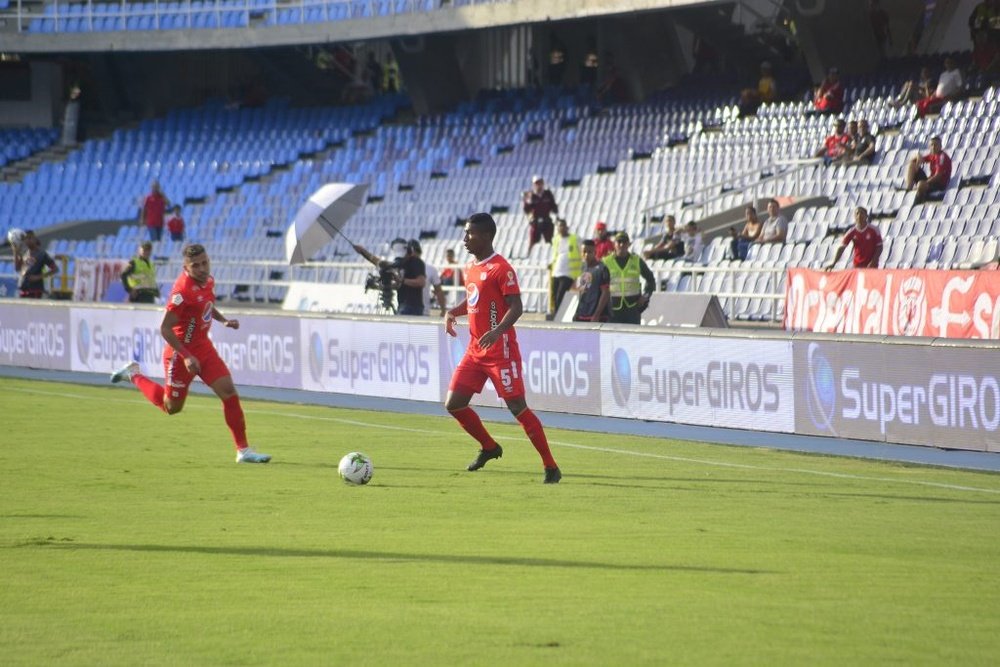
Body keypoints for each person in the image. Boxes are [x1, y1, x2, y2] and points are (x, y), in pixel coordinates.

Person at [109, 244, 271, 464]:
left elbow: (206, 305)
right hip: (180, 355)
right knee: (171, 407)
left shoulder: (209, 281)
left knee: (229, 392)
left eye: (205, 263)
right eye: (196, 266)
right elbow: (165, 329)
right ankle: (133, 374)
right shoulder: (181, 292)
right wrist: (185, 355)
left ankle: (243, 450)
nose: (203, 268)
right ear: (186, 267)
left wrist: (223, 320)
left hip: (203, 348)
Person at [444, 213, 561, 484]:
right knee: (454, 404)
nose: (464, 239)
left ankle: (551, 466)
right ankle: (489, 447)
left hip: (500, 350)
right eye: (464, 233)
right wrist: (453, 312)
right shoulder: (471, 267)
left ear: (486, 236)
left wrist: (497, 331)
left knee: (517, 407)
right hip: (475, 350)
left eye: (469, 234)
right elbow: (474, 301)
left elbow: (516, 307)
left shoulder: (502, 268)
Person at [353, 237, 427, 315]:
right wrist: (363, 252)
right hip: (405, 305)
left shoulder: (416, 262)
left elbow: (421, 282)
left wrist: (401, 280)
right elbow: (381, 263)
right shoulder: (402, 264)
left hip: (411, 307)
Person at [602, 231, 655, 325]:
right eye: (619, 242)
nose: (622, 245)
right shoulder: (606, 262)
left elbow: (650, 279)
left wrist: (645, 296)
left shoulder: (636, 260)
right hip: (612, 309)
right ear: (614, 244)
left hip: (632, 308)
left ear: (629, 244)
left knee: (632, 338)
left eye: (624, 242)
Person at [10, 230, 58, 299]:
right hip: (24, 288)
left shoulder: (42, 254)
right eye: (26, 239)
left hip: (36, 290)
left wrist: (38, 277)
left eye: (30, 238)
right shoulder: (24, 253)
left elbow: (55, 269)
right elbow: (17, 268)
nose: (28, 241)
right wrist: (15, 253)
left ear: (35, 239)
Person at [906, 135, 953, 204]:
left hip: (939, 184)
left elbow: (938, 176)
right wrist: (917, 155)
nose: (933, 147)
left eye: (935, 145)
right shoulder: (932, 155)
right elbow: (914, 161)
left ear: (940, 146)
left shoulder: (942, 157)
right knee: (912, 165)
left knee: (921, 184)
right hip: (931, 181)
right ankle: (908, 189)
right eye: (931, 145)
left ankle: (917, 203)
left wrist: (925, 183)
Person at [549, 218, 581, 315]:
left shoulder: (575, 238)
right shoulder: (555, 239)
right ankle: (556, 315)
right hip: (556, 271)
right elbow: (555, 254)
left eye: (563, 225)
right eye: (559, 226)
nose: (561, 228)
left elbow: (581, 253)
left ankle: (560, 316)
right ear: (557, 228)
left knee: (561, 295)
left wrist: (578, 274)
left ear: (567, 227)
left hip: (569, 272)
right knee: (554, 295)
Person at [573, 239, 611, 322]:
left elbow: (606, 293)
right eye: (584, 252)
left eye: (589, 252)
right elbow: (582, 292)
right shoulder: (582, 268)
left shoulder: (602, 269)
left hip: (597, 317)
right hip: (582, 315)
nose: (586, 254)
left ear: (595, 252)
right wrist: (577, 312)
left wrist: (597, 314)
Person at [522, 175, 558, 254]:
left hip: (546, 220)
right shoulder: (530, 195)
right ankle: (529, 255)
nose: (539, 185)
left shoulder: (547, 194)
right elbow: (526, 209)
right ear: (533, 184)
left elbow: (553, 206)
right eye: (537, 183)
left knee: (551, 240)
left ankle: (553, 255)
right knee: (533, 241)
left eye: (540, 183)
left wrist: (556, 214)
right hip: (535, 221)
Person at [410, 240, 446, 317]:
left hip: (422, 312)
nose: (413, 254)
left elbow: (439, 291)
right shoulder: (402, 268)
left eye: (416, 251)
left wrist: (443, 310)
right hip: (405, 311)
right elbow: (439, 291)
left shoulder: (430, 269)